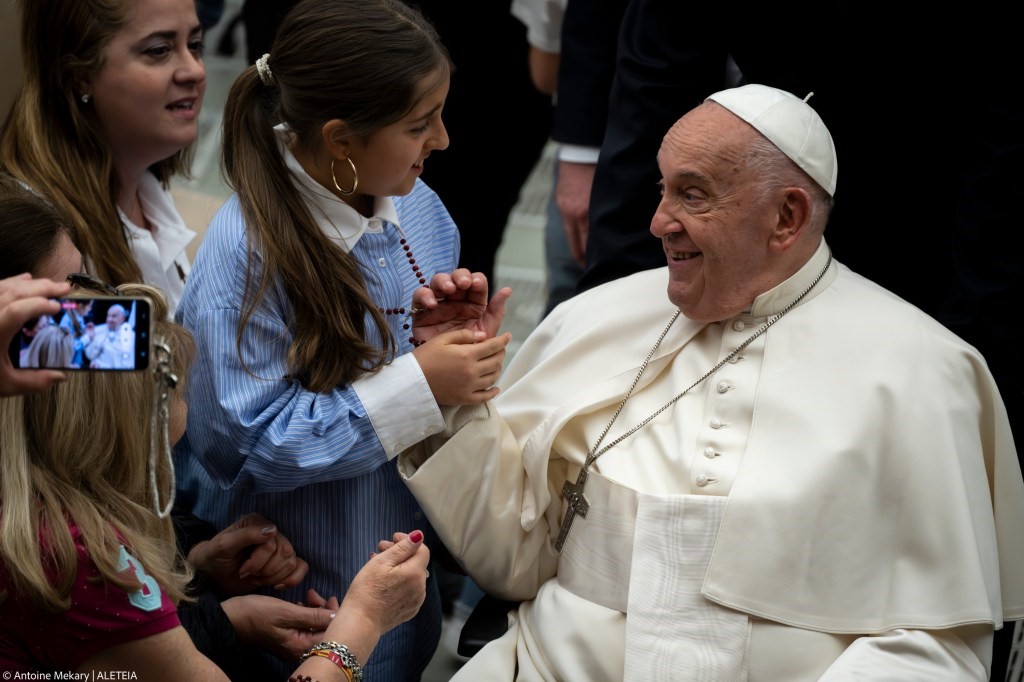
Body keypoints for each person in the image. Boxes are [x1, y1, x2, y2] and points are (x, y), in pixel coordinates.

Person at [398, 84, 1024, 679]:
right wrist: (458, 400)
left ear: (787, 216)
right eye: (662, 189)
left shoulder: (925, 370)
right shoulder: (591, 320)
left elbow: (934, 647)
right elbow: (512, 563)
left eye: (692, 195)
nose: (658, 222)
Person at [173, 1, 511, 679]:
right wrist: (419, 383)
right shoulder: (244, 261)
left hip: (395, 582)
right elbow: (245, 448)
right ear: (341, 141)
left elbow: (412, 373)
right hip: (303, 608)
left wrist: (443, 341)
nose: (443, 139)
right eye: (419, 124)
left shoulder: (419, 205)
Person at [0, 282, 432, 680]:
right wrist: (362, 621)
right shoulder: (86, 564)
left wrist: (201, 579)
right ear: (137, 427)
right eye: (182, 393)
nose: (191, 405)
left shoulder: (30, 519)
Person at [0, 0, 206, 316]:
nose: (195, 70)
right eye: (159, 50)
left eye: (194, 45)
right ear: (81, 74)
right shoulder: (43, 243)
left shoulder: (144, 182)